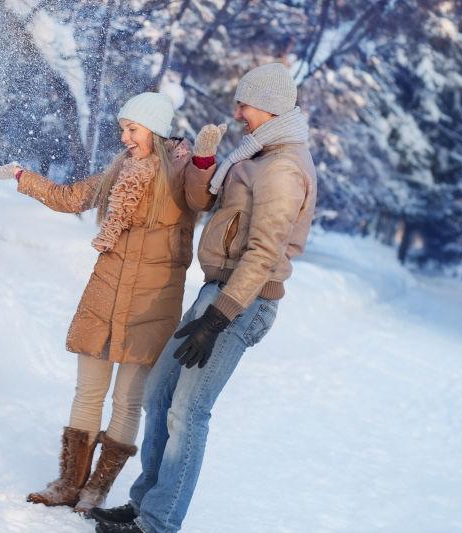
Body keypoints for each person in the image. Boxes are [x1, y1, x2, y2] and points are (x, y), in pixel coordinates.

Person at [92, 63, 317, 532]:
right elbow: (206, 204)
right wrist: (204, 163)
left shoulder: (283, 167)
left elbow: (263, 252)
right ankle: (145, 504)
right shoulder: (254, 155)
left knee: (187, 412)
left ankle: (157, 523)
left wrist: (218, 319)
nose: (236, 112)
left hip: (241, 302)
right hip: (216, 292)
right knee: (159, 395)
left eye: (244, 104)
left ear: (271, 107)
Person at [0, 93, 225, 514]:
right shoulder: (119, 171)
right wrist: (23, 175)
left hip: (151, 305)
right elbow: (72, 198)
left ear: (153, 130)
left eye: (132, 130)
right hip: (105, 295)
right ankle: (67, 483)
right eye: (123, 130)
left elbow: (203, 199)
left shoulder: (183, 176)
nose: (125, 138)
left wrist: (205, 160)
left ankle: (97, 489)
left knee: (128, 401)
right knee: (88, 392)